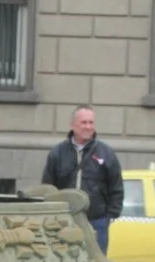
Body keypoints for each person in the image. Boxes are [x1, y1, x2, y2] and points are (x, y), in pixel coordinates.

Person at [41, 105, 123, 254]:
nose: (88, 126)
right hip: (64, 221)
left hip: (96, 222)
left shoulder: (107, 153)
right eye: (83, 122)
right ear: (73, 125)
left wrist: (109, 217)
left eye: (91, 122)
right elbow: (47, 188)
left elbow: (116, 187)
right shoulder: (57, 153)